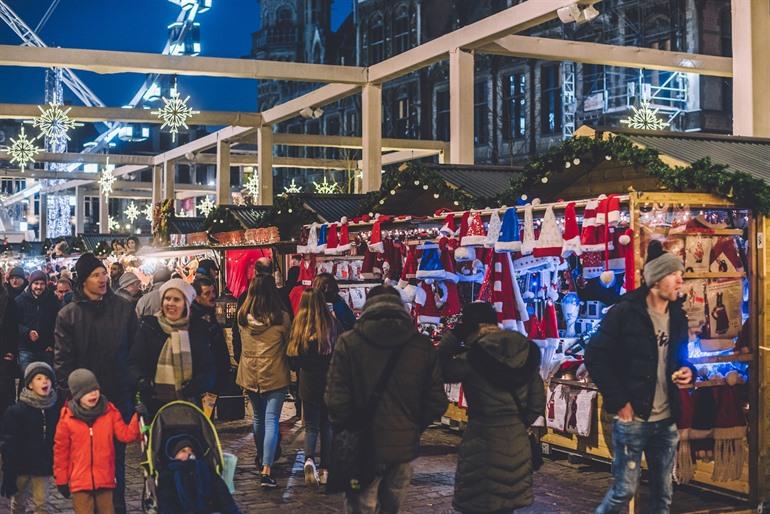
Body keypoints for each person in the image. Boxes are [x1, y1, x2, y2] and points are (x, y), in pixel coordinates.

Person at [585, 240, 694, 514]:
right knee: (624, 490)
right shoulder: (626, 312)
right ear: (656, 279)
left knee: (663, 495)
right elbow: (595, 356)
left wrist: (688, 371)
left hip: (666, 420)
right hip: (633, 417)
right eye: (673, 274)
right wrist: (620, 400)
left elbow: (681, 358)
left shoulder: (677, 316)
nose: (680, 280)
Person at [325, 285, 448, 514]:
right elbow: (437, 401)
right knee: (391, 507)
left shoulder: (349, 343)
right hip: (402, 446)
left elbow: (335, 399)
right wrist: (412, 427)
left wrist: (348, 427)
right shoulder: (420, 345)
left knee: (361, 506)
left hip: (361, 443)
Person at [439, 302, 545, 514]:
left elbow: (438, 367)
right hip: (517, 438)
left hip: (482, 437)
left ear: (469, 326)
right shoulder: (524, 352)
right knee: (507, 504)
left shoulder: (472, 358)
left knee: (480, 502)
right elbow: (537, 402)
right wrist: (518, 422)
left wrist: (452, 336)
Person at [54, 252, 138, 514]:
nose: (102, 279)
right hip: (84, 404)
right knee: (87, 462)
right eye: (95, 275)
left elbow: (135, 351)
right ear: (83, 281)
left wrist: (131, 384)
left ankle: (117, 508)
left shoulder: (123, 308)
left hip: (117, 397)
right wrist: (73, 394)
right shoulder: (69, 315)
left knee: (116, 463)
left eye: (103, 273)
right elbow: (63, 362)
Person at [53, 369, 141, 514]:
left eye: (95, 389)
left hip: (105, 479)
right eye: (87, 392)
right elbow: (60, 452)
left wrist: (137, 417)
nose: (93, 394)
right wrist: (61, 480)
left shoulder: (110, 412)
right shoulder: (67, 419)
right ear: (77, 395)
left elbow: (126, 435)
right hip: (80, 482)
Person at [235, 274, 291, 488]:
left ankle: (261, 458)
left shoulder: (242, 316)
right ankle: (267, 468)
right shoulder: (281, 317)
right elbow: (288, 343)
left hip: (250, 372)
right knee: (271, 420)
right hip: (274, 372)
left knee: (258, 418)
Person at [129, 279, 215, 416]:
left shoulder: (198, 330)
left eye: (177, 299)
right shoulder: (149, 327)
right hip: (154, 406)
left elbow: (208, 368)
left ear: (186, 304)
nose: (171, 303)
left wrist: (195, 385)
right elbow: (135, 362)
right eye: (167, 299)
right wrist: (144, 382)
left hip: (190, 406)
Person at [287, 288, 340, 486]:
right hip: (329, 382)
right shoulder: (332, 324)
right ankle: (325, 469)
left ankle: (309, 460)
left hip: (307, 383)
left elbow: (292, 360)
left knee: (311, 426)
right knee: (327, 426)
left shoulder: (298, 326)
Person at [1, 362, 60, 514]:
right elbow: (9, 442)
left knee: (42, 503)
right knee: (19, 502)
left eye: (47, 378)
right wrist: (9, 469)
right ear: (30, 385)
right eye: (38, 378)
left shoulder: (55, 408)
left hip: (43, 465)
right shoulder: (17, 411)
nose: (44, 381)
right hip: (22, 465)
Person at [156, 435, 242, 514]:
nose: (189, 454)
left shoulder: (205, 470)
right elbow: (167, 504)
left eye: (191, 451)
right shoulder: (168, 475)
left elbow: (223, 496)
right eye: (183, 451)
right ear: (175, 456)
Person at [191, 277, 231, 395]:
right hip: (203, 377)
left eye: (213, 292)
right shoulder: (194, 318)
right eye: (207, 293)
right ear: (197, 297)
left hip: (216, 373)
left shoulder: (210, 312)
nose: (212, 296)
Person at [16, 270, 60, 370]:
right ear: (31, 284)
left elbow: (57, 323)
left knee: (46, 377)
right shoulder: (20, 300)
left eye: (42, 284)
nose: (39, 287)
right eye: (36, 283)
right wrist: (27, 332)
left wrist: (52, 343)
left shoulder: (52, 300)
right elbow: (14, 323)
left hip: (46, 348)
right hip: (26, 348)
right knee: (28, 378)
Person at [0, 268, 19, 421]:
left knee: (5, 395)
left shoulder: (7, 299)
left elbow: (13, 328)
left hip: (4, 353)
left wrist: (11, 351)